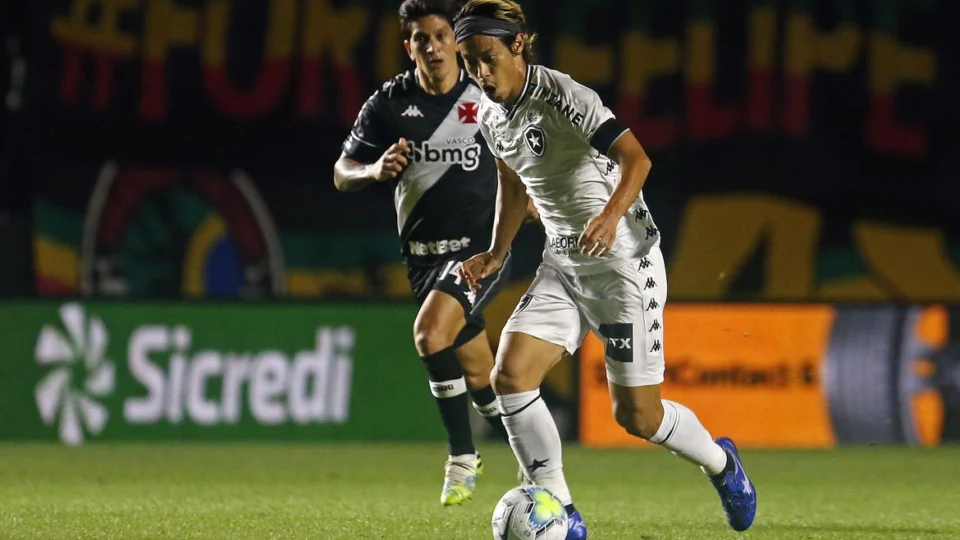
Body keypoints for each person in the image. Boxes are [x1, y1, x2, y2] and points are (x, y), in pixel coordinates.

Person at [452, 0, 758, 537]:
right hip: (563, 265)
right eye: (470, 61)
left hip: (621, 266)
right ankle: (564, 514)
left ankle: (721, 462)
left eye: (486, 57)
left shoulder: (564, 96)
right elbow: (513, 182)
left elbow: (637, 158)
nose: (479, 72)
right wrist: (497, 253)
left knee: (638, 417)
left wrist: (609, 216)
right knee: (510, 376)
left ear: (518, 44)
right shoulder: (489, 111)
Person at [333, 0, 524, 507]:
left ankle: (462, 457)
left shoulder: (487, 100)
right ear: (408, 47)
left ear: (456, 43)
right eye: (422, 39)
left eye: (442, 36)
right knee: (481, 374)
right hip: (422, 259)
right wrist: (372, 171)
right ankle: (536, 459)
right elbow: (341, 171)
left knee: (428, 333)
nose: (434, 47)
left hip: (479, 256)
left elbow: (526, 160)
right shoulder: (389, 104)